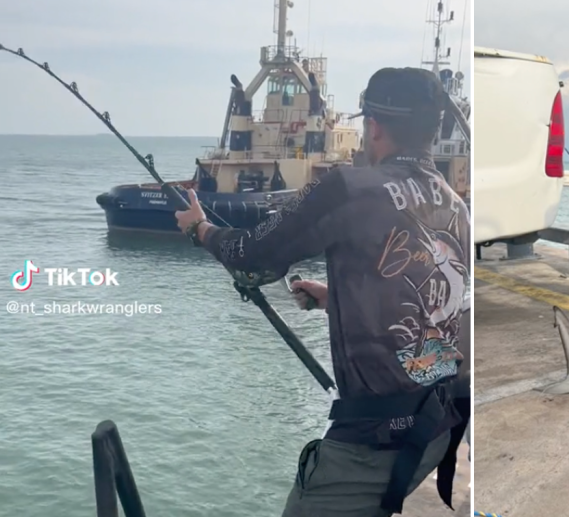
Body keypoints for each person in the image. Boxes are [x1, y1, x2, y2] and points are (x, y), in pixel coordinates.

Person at [174, 67, 471, 517]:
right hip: (436, 427)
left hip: (372, 444)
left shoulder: (350, 189)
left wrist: (200, 229)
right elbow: (435, 298)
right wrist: (339, 298)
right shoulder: (456, 203)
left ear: (373, 127)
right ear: (433, 130)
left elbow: (252, 255)